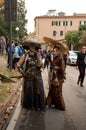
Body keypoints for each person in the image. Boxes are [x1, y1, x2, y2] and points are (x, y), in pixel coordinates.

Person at [16, 42, 45, 111]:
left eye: (34, 46)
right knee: (29, 91)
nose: (32, 47)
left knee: (38, 90)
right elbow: (18, 65)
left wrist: (40, 66)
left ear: (35, 47)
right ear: (28, 47)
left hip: (37, 76)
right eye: (31, 46)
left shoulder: (38, 55)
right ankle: (29, 105)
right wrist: (22, 72)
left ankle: (37, 105)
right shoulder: (25, 55)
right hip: (28, 77)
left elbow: (42, 65)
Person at [46, 45, 66, 111]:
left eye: (56, 51)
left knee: (58, 90)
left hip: (59, 76)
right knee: (52, 89)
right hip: (53, 75)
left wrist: (55, 67)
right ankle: (51, 102)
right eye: (53, 51)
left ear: (58, 51)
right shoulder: (53, 57)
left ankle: (60, 105)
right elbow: (52, 64)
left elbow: (62, 68)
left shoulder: (60, 58)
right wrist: (51, 64)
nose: (54, 52)